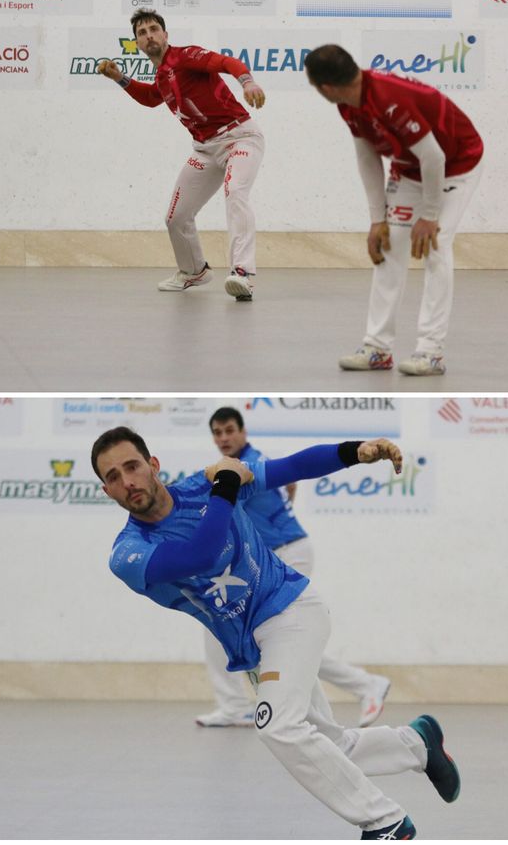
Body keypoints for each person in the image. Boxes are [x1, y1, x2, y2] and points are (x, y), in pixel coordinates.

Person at [96, 426, 460, 838]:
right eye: (112, 477)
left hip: (291, 611)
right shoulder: (128, 554)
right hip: (254, 648)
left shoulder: (204, 486)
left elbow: (291, 467)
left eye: (132, 466)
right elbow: (200, 554)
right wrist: (228, 482)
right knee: (327, 746)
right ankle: (417, 743)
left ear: (153, 466)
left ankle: (385, 821)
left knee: (276, 725)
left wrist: (355, 451)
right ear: (107, 492)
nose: (127, 481)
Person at [195, 406, 391, 729]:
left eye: (230, 430)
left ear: (243, 432)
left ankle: (365, 685)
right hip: (273, 557)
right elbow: (288, 486)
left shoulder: (243, 465)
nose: (224, 438)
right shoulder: (245, 462)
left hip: (289, 552)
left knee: (282, 637)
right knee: (226, 626)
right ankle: (233, 707)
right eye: (217, 432)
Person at [304, 44, 484, 377]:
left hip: (457, 165)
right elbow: (367, 157)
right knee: (387, 248)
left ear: (325, 87)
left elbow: (435, 159)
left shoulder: (390, 99)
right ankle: (377, 348)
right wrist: (377, 220)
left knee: (436, 247)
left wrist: (429, 216)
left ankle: (431, 353)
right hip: (409, 169)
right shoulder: (349, 104)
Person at [96, 9, 267, 300]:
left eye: (153, 29)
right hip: (204, 149)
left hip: (241, 137)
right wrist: (119, 78)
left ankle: (242, 273)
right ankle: (193, 271)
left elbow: (226, 62)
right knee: (176, 217)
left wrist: (247, 81)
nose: (149, 35)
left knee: (235, 191)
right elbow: (151, 98)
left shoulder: (185, 56)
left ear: (165, 35)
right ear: (137, 42)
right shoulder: (162, 74)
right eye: (142, 33)